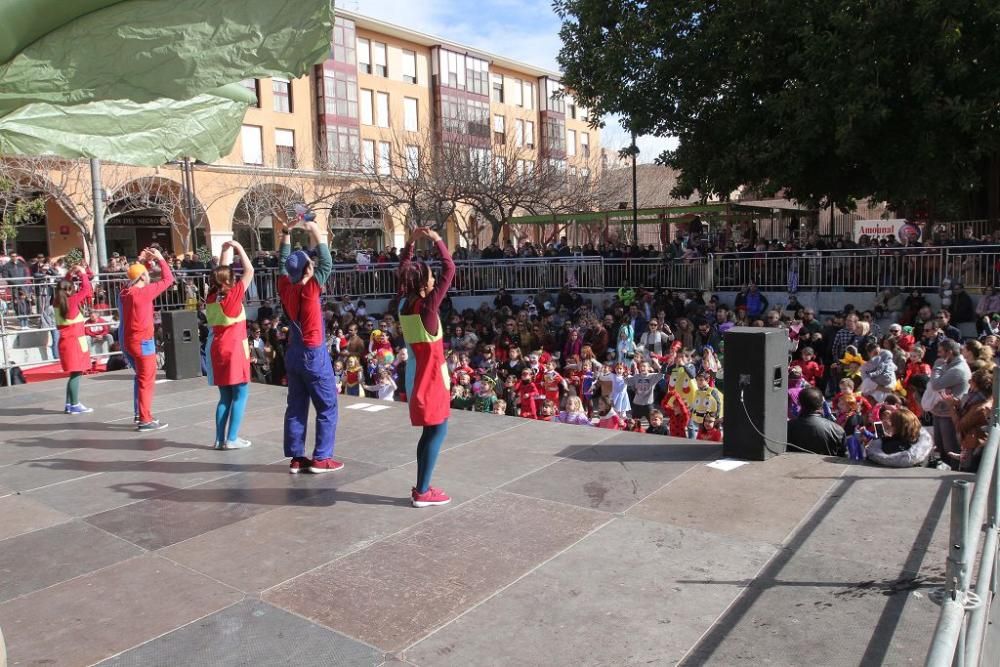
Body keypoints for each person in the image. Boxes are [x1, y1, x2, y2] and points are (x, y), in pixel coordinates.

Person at [278, 214, 343, 474]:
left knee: (296, 405)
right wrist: (316, 230)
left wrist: (286, 233)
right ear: (307, 270)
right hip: (312, 353)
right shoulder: (311, 288)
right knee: (327, 405)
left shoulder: (286, 286)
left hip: (293, 353)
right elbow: (327, 261)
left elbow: (284, 263)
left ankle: (296, 457)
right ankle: (321, 458)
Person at [397, 226, 456, 508]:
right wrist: (436, 240)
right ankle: (422, 492)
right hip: (432, 379)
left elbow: (404, 269)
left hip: (417, 375)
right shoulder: (428, 309)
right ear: (424, 284)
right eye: (430, 277)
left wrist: (410, 243)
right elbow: (450, 269)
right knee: (438, 431)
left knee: (429, 432)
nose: (435, 279)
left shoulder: (404, 305)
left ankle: (422, 486)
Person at [205, 240, 254, 450]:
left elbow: (221, 274)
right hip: (235, 349)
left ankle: (219, 439)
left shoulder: (211, 297)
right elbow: (249, 270)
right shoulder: (233, 296)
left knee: (225, 396)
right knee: (241, 395)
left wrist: (225, 251)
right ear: (230, 281)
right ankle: (232, 438)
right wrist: (240, 248)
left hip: (217, 348)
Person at [119, 247, 174, 431]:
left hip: (130, 341)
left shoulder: (126, 293)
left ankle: (143, 414)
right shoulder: (144, 293)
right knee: (146, 381)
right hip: (143, 343)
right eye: (146, 274)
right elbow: (168, 279)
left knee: (142, 379)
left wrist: (144, 262)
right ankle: (144, 419)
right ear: (143, 277)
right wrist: (160, 259)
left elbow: (138, 276)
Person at [53, 263, 93, 414]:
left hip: (65, 342)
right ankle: (75, 404)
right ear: (70, 290)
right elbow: (87, 290)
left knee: (73, 374)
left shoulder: (56, 302)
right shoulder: (73, 301)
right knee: (76, 374)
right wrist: (82, 274)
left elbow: (62, 285)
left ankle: (69, 404)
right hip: (75, 342)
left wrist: (70, 274)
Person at [927, 338, 971, 459]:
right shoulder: (950, 365)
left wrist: (937, 365)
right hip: (940, 412)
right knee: (940, 448)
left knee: (950, 449)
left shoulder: (958, 369)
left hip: (949, 415)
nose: (938, 354)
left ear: (949, 352)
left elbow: (935, 384)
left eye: (941, 351)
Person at [865, 408, 934, 468]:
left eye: (892, 423)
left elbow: (880, 450)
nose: (890, 425)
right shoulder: (918, 440)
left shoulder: (892, 446)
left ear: (897, 426)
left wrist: (880, 434)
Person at [787, 387, 845, 456]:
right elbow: (842, 457)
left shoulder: (788, 427)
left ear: (799, 403)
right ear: (822, 404)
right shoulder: (837, 430)